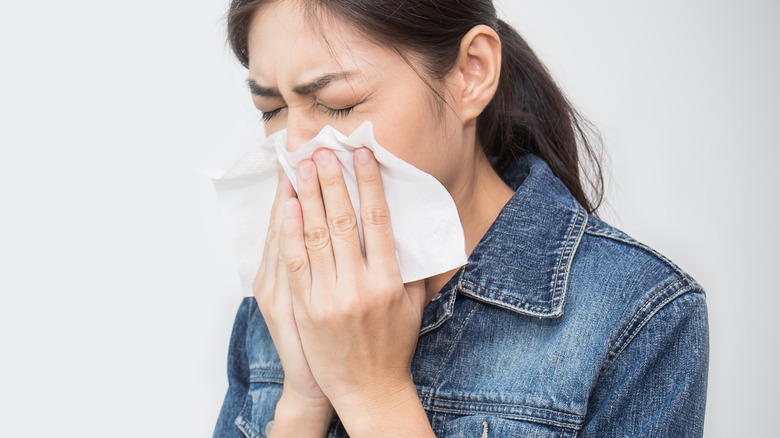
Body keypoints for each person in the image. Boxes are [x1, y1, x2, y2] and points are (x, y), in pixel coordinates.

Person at [213, 0, 709, 436]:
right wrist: (303, 402)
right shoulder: (280, 298)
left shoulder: (637, 316)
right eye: (272, 108)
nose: (296, 149)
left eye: (336, 104)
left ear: (471, 73)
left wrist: (375, 397)